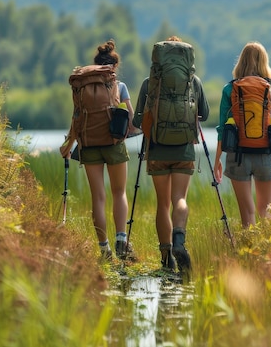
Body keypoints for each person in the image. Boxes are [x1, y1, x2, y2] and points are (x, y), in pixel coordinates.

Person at [132, 36, 209, 275]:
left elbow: (136, 121)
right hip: (184, 148)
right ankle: (179, 241)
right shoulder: (192, 81)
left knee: (162, 204)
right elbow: (204, 114)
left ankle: (166, 258)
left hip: (157, 149)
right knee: (179, 200)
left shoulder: (149, 83)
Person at [62, 39, 136, 261]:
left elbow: (77, 117)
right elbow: (131, 120)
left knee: (98, 197)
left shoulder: (82, 86)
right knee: (119, 192)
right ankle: (121, 238)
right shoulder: (119, 86)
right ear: (113, 67)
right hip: (114, 144)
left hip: (89, 145)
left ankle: (104, 249)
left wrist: (68, 145)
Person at [214, 41, 271, 228]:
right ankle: (269, 254)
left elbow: (223, 128)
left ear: (241, 62)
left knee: (247, 215)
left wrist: (217, 161)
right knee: (265, 211)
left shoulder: (229, 89)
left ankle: (248, 254)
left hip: (238, 157)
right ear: (264, 62)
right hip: (265, 156)